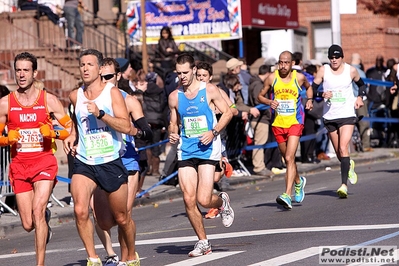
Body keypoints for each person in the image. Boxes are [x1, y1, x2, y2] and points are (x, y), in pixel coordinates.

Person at [63, 49, 139, 266]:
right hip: (86, 161)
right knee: (79, 209)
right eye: (82, 65)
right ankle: (93, 258)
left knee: (119, 218)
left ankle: (132, 256)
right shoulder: (74, 95)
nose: (85, 68)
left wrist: (101, 114)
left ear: (99, 68)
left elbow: (125, 125)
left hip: (110, 160)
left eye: (90, 64)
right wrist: (72, 135)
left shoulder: (111, 93)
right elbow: (77, 123)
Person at [0, 52, 72, 266]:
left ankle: (40, 264)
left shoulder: (48, 100)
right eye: (18, 70)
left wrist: (54, 134)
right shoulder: (5, 103)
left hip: (44, 162)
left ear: (34, 73)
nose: (21, 74)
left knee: (37, 210)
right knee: (28, 223)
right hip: (20, 166)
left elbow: (68, 128)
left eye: (26, 70)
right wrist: (6, 139)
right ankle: (45, 221)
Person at [168, 53, 234, 256]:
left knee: (204, 199)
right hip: (186, 149)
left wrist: (213, 132)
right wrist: (172, 133)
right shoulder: (174, 96)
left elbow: (228, 113)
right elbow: (173, 122)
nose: (182, 77)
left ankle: (222, 202)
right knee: (189, 200)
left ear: (194, 70)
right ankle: (203, 242)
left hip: (207, 147)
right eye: (179, 73)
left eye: (186, 72)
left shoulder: (210, 90)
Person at [91, 57, 152, 265]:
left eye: (109, 77)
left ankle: (128, 258)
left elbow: (147, 133)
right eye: (101, 77)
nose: (105, 81)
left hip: (127, 162)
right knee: (103, 220)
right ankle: (112, 253)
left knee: (123, 215)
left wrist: (132, 130)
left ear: (117, 77)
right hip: (102, 161)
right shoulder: (91, 100)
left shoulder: (129, 100)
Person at [258, 50, 313, 209]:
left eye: (286, 63)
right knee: (287, 159)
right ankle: (298, 181)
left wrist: (309, 100)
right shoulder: (272, 78)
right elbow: (260, 96)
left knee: (290, 157)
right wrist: (269, 102)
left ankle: (287, 194)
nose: (282, 66)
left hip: (295, 122)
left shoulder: (299, 78)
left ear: (291, 64)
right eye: (280, 62)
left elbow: (309, 88)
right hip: (278, 123)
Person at [312, 44, 366, 198]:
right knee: (338, 152)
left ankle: (343, 185)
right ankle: (348, 165)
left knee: (343, 147)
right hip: (330, 115)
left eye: (337, 57)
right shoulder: (324, 70)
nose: (334, 60)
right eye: (331, 57)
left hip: (347, 114)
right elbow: (313, 89)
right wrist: (322, 94)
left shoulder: (351, 70)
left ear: (342, 57)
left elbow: (362, 85)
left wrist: (360, 97)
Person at [196, 61, 235, 218]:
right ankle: (212, 205)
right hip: (199, 139)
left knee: (215, 176)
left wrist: (221, 110)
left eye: (204, 75)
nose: (201, 78)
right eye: (198, 75)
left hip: (217, 137)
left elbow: (233, 109)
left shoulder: (216, 91)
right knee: (206, 176)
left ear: (210, 77)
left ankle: (214, 201)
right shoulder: (192, 94)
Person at [248, 64, 273, 176]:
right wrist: (268, 103)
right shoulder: (258, 85)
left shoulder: (255, 82)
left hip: (260, 118)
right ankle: (259, 167)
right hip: (260, 118)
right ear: (267, 74)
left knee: (260, 142)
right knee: (259, 142)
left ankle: (260, 165)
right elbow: (258, 100)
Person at [351, 53, 372, 152]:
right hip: (360, 99)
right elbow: (364, 86)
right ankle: (366, 145)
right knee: (364, 122)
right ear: (359, 60)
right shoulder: (360, 72)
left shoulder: (347, 70)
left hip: (349, 99)